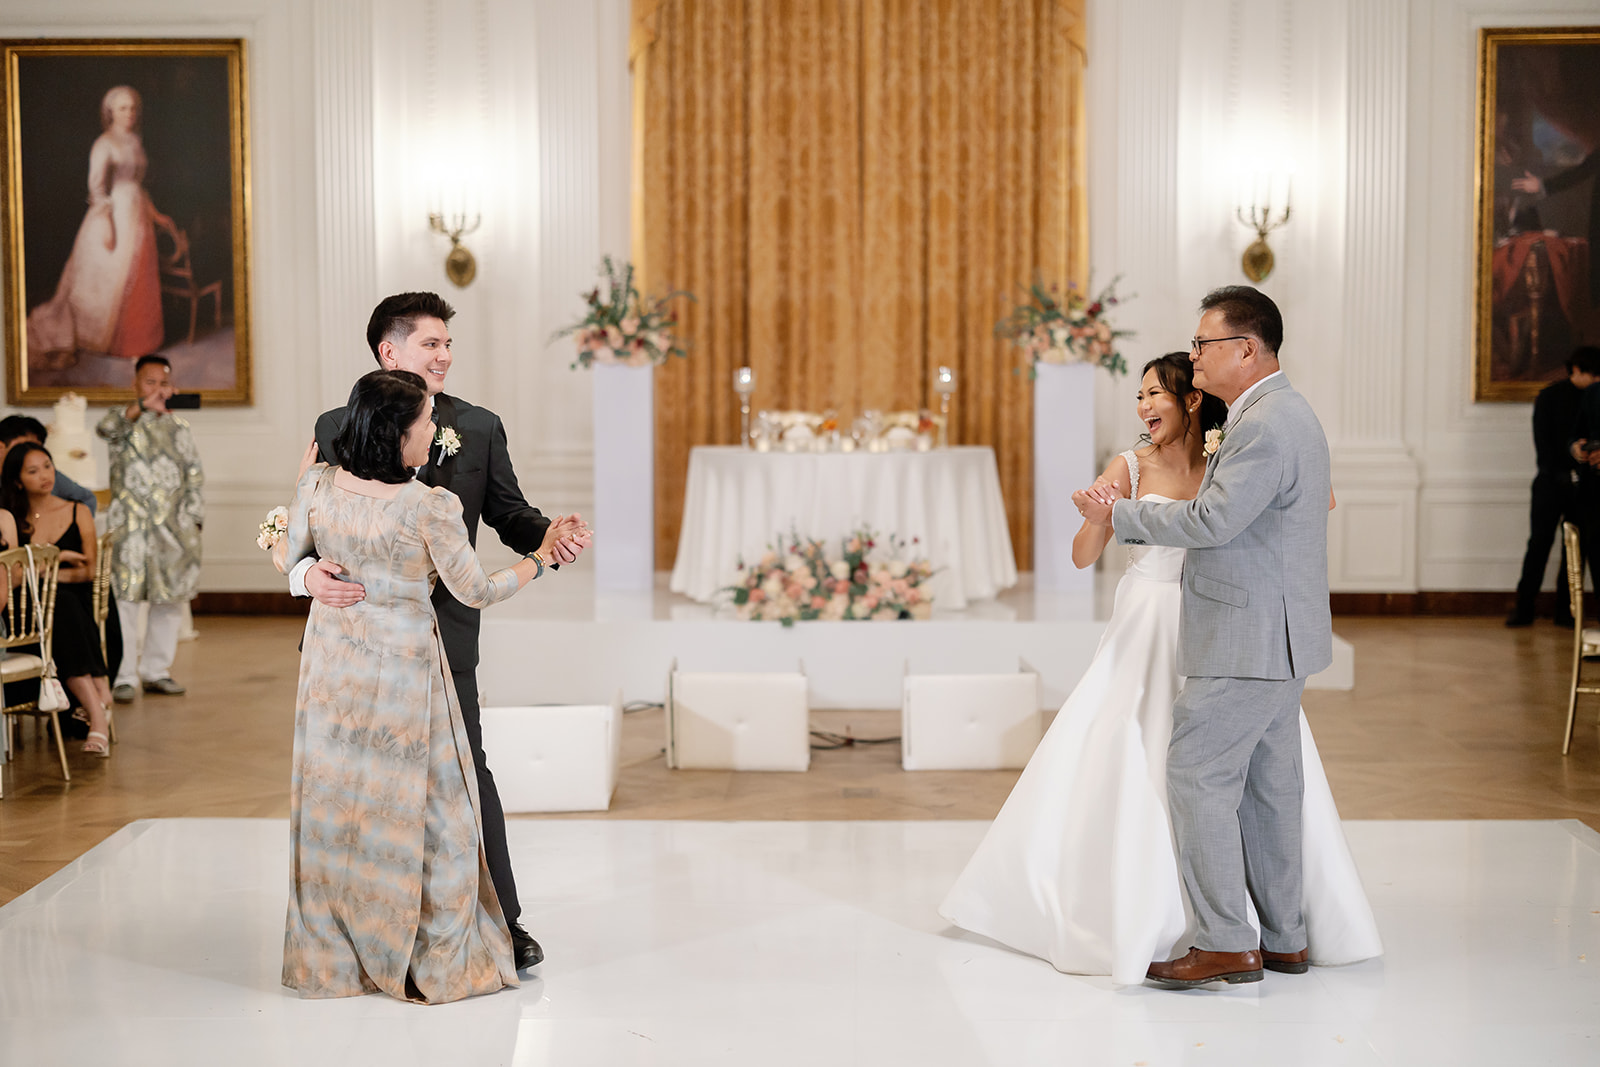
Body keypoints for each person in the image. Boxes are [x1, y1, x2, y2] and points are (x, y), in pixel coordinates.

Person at [940, 352, 1381, 984]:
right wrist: (1101, 513)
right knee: (1154, 754)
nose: (1145, 407)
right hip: (1150, 620)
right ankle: (1201, 920)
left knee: (1250, 777)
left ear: (1192, 400)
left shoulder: (1230, 451)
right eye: (1139, 397)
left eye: (1156, 394)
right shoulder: (1130, 463)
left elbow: (1313, 503)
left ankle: (1251, 931)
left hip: (1227, 624)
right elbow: (1081, 552)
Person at [287, 291, 590, 972]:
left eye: (449, 343)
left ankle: (499, 921)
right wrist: (305, 577)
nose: (445, 354)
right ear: (389, 351)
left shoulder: (478, 426)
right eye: (430, 343)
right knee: (357, 786)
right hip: (350, 642)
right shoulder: (336, 424)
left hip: (444, 638)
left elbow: (511, 514)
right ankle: (362, 928)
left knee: (464, 779)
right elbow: (299, 530)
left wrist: (550, 537)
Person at [1075, 286, 1346, 988]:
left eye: (1204, 344)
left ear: (1246, 350)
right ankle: (1284, 937)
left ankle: (1226, 939)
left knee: (1197, 771)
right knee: (1269, 788)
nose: (1194, 357)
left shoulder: (1262, 423)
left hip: (1247, 635)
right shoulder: (1287, 412)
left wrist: (1124, 516)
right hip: (1278, 633)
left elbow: (1208, 524)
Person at [26, 85, 166, 362]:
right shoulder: (104, 143)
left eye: (133, 108)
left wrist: (157, 214)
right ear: (111, 111)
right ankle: (111, 341)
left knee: (138, 277)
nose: (130, 113)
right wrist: (107, 225)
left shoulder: (135, 142)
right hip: (113, 216)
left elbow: (138, 185)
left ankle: (139, 342)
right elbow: (97, 189)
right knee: (108, 282)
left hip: (138, 216)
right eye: (123, 108)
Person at [96, 353, 204, 702]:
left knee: (169, 601)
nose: (158, 389)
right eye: (150, 382)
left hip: (174, 530)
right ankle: (123, 675)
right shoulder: (122, 423)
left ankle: (156, 670)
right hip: (130, 530)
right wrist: (139, 408)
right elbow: (104, 428)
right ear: (136, 384)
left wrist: (194, 517)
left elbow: (193, 475)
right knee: (126, 601)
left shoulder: (179, 428)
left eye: (163, 382)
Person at [1, 443, 116, 757]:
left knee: (63, 605)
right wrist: (52, 567)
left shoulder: (77, 509)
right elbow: (11, 578)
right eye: (33, 471)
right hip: (25, 615)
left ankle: (95, 714)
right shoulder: (10, 518)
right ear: (16, 480)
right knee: (60, 609)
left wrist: (42, 575)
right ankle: (99, 699)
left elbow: (88, 571)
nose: (45, 475)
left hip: (66, 606)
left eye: (48, 466)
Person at [1509, 347, 1600, 627]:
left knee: (1577, 550)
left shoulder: (1593, 397)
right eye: (1592, 374)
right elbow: (1544, 444)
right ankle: (1524, 608)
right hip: (1550, 483)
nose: (1596, 380)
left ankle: (1567, 611)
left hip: (1582, 486)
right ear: (1575, 370)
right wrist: (1568, 463)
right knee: (1539, 545)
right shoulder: (1549, 397)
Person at [0, 416, 98, 514]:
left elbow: (87, 499)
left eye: (36, 448)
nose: (29, 454)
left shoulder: (49, 476)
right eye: (21, 447)